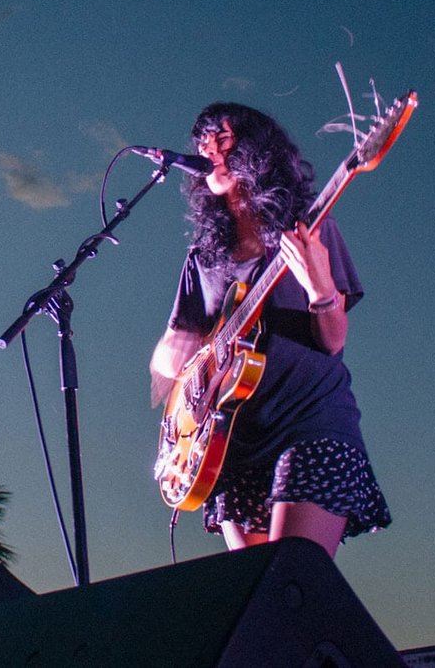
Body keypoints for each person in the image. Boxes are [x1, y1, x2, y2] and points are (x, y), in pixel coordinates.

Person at [150, 102, 391, 556]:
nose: (209, 153)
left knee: (291, 577)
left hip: (310, 421)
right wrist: (173, 355)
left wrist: (318, 283)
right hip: (232, 443)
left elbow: (333, 341)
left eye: (222, 140)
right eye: (203, 143)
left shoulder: (310, 229)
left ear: (256, 151)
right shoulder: (202, 259)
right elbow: (172, 354)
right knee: (258, 598)